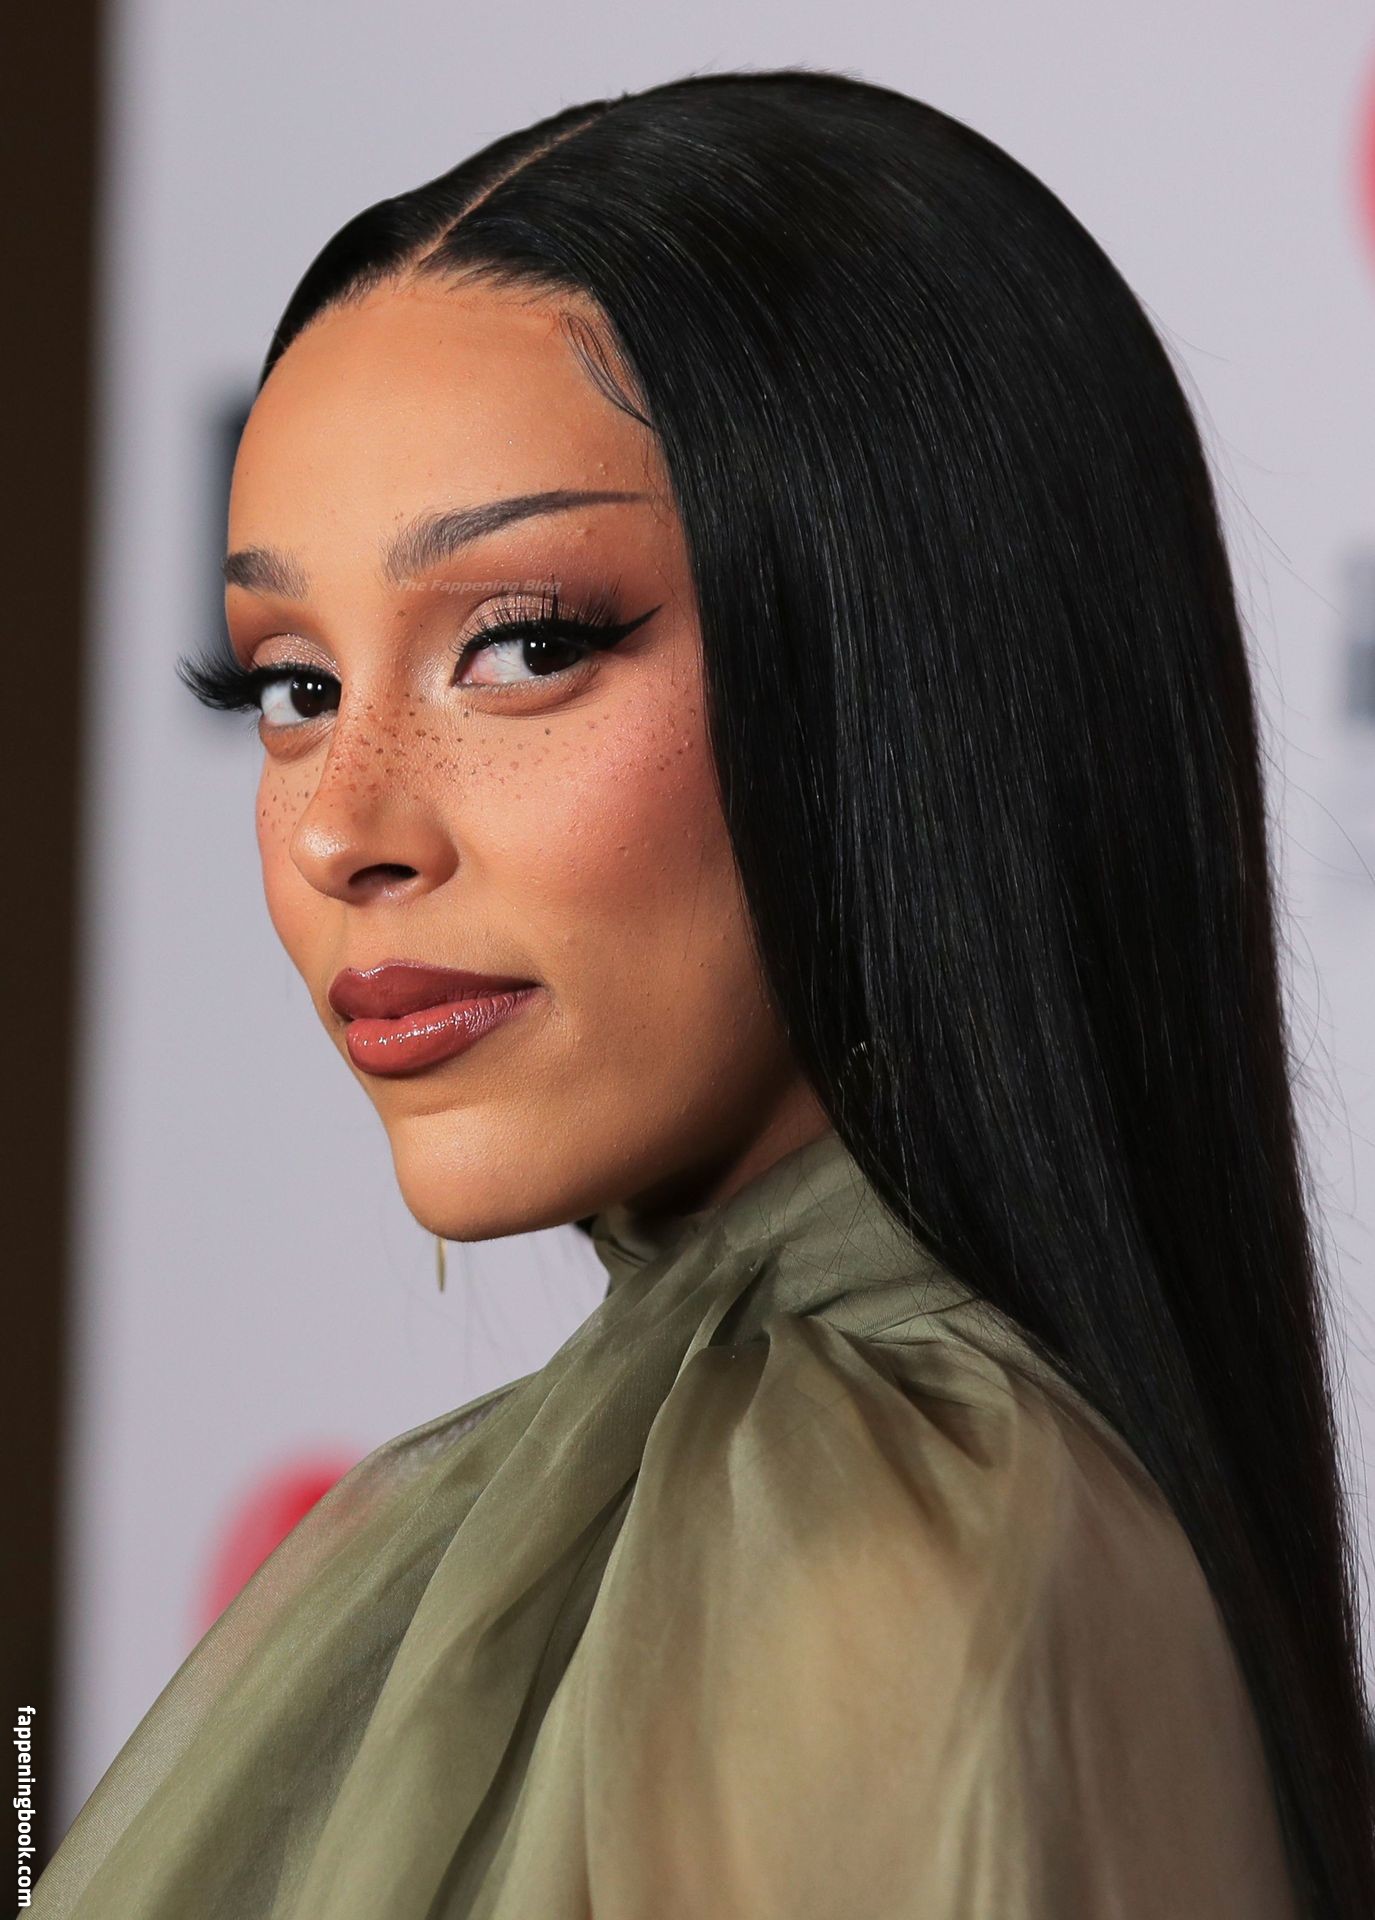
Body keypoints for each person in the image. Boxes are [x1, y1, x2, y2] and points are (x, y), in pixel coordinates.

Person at [26, 65, 1374, 1920]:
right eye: (293, 686)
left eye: (523, 646)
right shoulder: (676, 1507)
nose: (342, 830)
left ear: (902, 670)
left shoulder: (868, 1552)